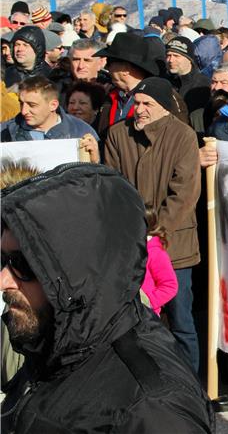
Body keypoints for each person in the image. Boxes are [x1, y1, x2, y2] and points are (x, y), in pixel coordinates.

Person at [0, 163, 214, 432]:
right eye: (3, 260)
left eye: (23, 263)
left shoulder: (153, 409)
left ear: (75, 270)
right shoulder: (55, 343)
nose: (3, 281)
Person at [103, 77, 202, 373]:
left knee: (181, 320)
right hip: (130, 243)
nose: (140, 109)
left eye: (148, 104)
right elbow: (112, 186)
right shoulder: (118, 134)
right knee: (135, 320)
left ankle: (191, 387)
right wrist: (132, 231)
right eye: (138, 102)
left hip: (174, 244)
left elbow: (184, 191)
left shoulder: (183, 136)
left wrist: (156, 231)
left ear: (164, 108)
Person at [1, 76, 98, 144]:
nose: (24, 111)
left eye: (32, 105)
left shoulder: (80, 132)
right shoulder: (5, 131)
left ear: (53, 105)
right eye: (22, 103)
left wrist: (95, 161)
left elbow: (94, 171)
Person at [165, 36, 211, 132]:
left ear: (189, 59)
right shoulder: (164, 82)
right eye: (168, 55)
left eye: (176, 56)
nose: (170, 60)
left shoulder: (203, 84)